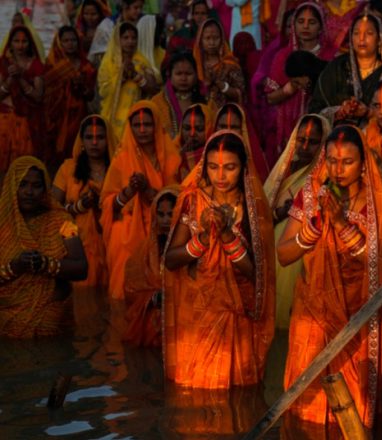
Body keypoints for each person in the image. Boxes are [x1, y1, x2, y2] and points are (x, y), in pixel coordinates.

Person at [276, 125, 382, 437]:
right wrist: (311, 233)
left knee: (352, 413)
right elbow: (284, 254)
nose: (338, 170)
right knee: (307, 405)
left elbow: (377, 266)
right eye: (332, 160)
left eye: (347, 162)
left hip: (358, 318)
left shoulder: (377, 204)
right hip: (312, 313)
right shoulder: (311, 195)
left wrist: (341, 224)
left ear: (363, 165)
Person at [163, 131, 275, 389]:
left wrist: (225, 235)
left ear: (243, 168)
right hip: (197, 316)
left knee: (234, 393)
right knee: (195, 392)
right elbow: (170, 260)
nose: (220, 176)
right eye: (213, 167)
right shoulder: (194, 201)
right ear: (204, 168)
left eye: (230, 167)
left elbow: (257, 274)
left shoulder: (254, 208)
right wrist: (202, 240)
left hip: (237, 317)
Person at [0, 157, 88, 339]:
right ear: (11, 185)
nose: (29, 192)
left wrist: (46, 264)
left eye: (36, 185)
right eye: (22, 184)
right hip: (7, 320)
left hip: (51, 317)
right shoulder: (2, 224)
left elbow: (82, 267)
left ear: (45, 189)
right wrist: (15, 267)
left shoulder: (64, 222)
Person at [101, 101, 181, 300]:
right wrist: (130, 190)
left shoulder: (172, 159)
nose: (143, 130)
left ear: (156, 125)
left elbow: (178, 198)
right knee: (126, 296)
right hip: (129, 235)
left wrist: (148, 190)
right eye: (137, 125)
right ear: (130, 127)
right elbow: (108, 204)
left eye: (148, 124)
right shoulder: (122, 159)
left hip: (165, 230)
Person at [264, 114, 330, 329]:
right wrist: (279, 214)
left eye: (312, 142)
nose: (304, 146)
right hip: (274, 252)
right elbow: (262, 213)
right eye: (301, 140)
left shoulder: (325, 176)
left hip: (303, 256)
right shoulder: (282, 171)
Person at [261, 2, 337, 163]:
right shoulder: (282, 56)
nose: (306, 26)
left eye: (312, 22)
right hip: (288, 127)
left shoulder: (331, 56)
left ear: (321, 26)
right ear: (293, 24)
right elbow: (270, 98)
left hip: (321, 125)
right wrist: (291, 87)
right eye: (301, 21)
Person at [52, 115, 114, 291]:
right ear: (81, 140)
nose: (94, 143)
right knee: (82, 295)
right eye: (89, 137)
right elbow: (52, 209)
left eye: (100, 137)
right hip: (75, 240)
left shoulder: (117, 167)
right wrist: (78, 207)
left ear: (108, 139)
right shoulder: (68, 168)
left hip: (110, 238)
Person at [308, 13, 382, 122]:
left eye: (369, 33)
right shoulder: (337, 67)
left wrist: (368, 112)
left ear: (379, 38)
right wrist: (340, 111)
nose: (361, 38)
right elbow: (316, 109)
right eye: (356, 33)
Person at [123, 187, 179, 348]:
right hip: (154, 315)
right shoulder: (144, 251)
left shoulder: (189, 246)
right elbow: (131, 287)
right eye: (161, 215)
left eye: (171, 214)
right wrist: (153, 297)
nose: (166, 220)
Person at [98, 22, 159, 151]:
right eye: (125, 38)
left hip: (136, 118)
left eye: (133, 38)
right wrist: (121, 77)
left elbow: (153, 89)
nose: (130, 42)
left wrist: (135, 76)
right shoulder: (109, 63)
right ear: (117, 39)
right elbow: (103, 91)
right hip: (112, 117)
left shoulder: (142, 62)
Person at [44, 26, 97, 161]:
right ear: (59, 43)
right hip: (56, 115)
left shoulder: (86, 66)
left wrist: (81, 85)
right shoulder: (52, 65)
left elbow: (90, 95)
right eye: (66, 40)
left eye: (73, 40)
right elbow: (45, 92)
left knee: (77, 150)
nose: (70, 44)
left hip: (78, 114)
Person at [0, 26, 44, 173]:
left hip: (28, 121)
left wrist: (21, 78)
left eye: (24, 41)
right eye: (16, 41)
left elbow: (38, 96)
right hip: (4, 120)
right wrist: (10, 80)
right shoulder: (3, 64)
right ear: (10, 43)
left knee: (24, 168)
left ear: (30, 43)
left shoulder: (36, 65)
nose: (20, 45)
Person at [150, 51, 205, 139]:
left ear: (196, 75)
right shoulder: (157, 102)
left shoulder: (206, 100)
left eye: (188, 74)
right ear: (170, 75)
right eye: (178, 74)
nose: (183, 78)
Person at [193, 19, 245, 107]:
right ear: (200, 40)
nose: (212, 43)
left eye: (216, 38)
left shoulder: (230, 64)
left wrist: (220, 84)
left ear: (222, 39)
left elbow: (240, 94)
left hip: (225, 115)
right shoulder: (194, 63)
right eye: (207, 38)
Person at [213, 103, 270, 180]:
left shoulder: (253, 161)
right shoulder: (205, 156)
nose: (228, 132)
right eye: (223, 126)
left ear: (243, 130)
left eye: (234, 127)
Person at [88, 0, 144, 65]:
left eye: (141, 8)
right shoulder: (107, 25)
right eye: (136, 8)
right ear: (125, 6)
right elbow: (99, 54)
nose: (139, 11)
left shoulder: (143, 24)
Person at [175, 103, 213, 180]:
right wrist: (179, 158)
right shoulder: (172, 150)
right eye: (187, 128)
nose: (192, 134)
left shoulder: (214, 156)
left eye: (199, 129)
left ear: (210, 129)